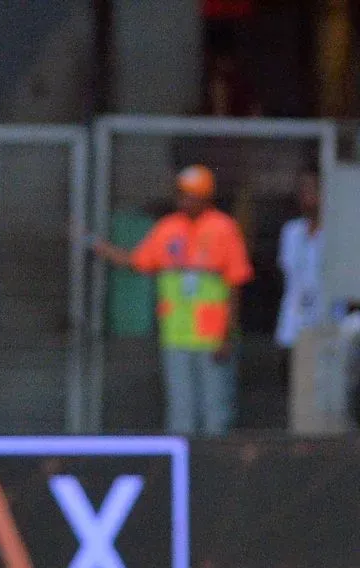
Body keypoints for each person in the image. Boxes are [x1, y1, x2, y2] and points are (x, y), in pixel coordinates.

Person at [92, 165, 254, 436]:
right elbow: (138, 261)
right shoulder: (167, 228)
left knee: (217, 412)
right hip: (176, 336)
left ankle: (215, 466)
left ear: (206, 198)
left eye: (192, 195)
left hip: (213, 337)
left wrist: (227, 334)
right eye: (181, 194)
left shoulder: (224, 228)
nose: (184, 201)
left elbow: (235, 284)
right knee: (181, 411)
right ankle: (184, 469)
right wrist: (99, 246)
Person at [275, 167, 325, 358]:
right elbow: (286, 275)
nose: (307, 197)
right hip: (293, 326)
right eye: (303, 191)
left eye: (313, 191)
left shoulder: (338, 232)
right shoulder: (291, 231)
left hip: (327, 326)